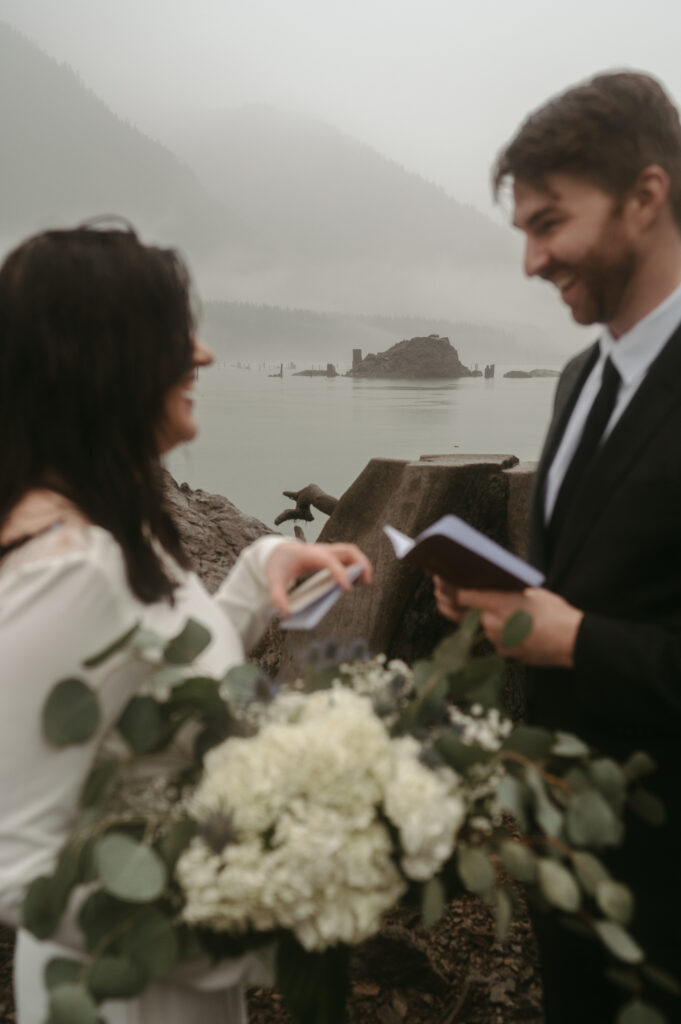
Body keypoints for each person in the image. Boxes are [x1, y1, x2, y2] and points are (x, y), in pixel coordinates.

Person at [0, 225, 372, 1024]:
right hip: (118, 996)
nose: (202, 354)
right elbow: (12, 862)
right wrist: (244, 903)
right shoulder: (65, 568)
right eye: (176, 334)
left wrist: (254, 573)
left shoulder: (111, 525)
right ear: (104, 360)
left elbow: (148, 671)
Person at [434, 72, 681, 1021]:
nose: (531, 260)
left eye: (549, 223)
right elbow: (586, 581)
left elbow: (585, 627)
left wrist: (571, 638)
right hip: (567, 866)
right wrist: (496, 601)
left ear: (645, 197)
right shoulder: (579, 377)